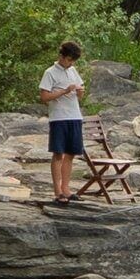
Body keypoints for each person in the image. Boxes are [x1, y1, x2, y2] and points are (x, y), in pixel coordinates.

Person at [40, 40, 89, 200]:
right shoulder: (50, 72)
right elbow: (44, 96)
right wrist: (63, 91)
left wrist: (80, 91)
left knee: (71, 154)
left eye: (73, 61)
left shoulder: (73, 71)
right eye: (68, 60)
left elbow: (80, 95)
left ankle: (66, 188)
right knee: (58, 153)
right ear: (61, 56)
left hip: (74, 115)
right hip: (59, 117)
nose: (70, 63)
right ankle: (57, 191)